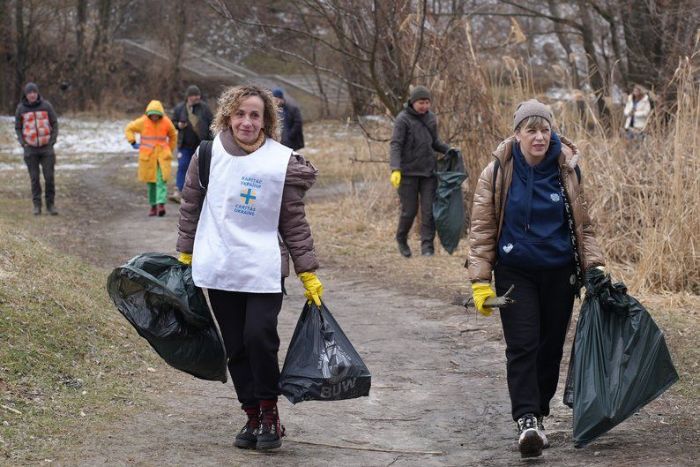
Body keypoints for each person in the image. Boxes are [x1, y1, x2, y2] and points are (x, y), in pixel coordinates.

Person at [175, 84, 323, 451]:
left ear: (266, 120)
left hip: (263, 267)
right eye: (240, 113)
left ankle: (271, 412)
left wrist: (307, 270)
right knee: (236, 346)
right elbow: (190, 206)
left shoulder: (280, 161)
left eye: (255, 115)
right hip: (221, 265)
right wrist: (185, 253)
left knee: (259, 337)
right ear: (227, 116)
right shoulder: (207, 155)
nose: (246, 121)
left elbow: (293, 219)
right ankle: (252, 414)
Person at [467, 99, 605, 459]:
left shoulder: (568, 168)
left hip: (560, 272)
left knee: (550, 347)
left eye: (545, 129)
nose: (540, 136)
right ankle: (526, 418)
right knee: (523, 344)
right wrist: (480, 280)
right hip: (516, 271)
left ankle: (539, 413)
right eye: (531, 130)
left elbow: (584, 226)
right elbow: (481, 230)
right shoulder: (498, 170)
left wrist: (595, 268)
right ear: (517, 134)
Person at [389, 85, 457, 257]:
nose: (424, 106)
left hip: (428, 173)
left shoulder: (431, 118)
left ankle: (427, 247)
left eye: (427, 102)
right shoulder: (402, 119)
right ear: (412, 102)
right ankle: (401, 238)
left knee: (429, 212)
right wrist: (395, 169)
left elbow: (435, 142)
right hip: (407, 174)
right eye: (421, 102)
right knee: (409, 211)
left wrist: (449, 150)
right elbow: (396, 144)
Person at [125, 100, 177, 216]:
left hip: (162, 158)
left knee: (161, 181)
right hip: (148, 159)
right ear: (149, 114)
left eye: (156, 115)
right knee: (151, 183)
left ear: (160, 114)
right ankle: (153, 206)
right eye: (152, 115)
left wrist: (169, 149)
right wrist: (132, 141)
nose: (154, 117)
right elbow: (129, 128)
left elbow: (173, 135)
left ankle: (161, 204)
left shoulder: (166, 122)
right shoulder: (143, 122)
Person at [14, 82, 59, 215]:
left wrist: (52, 141)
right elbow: (17, 127)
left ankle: (50, 205)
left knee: (49, 177)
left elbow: (54, 123)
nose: (32, 95)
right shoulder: (21, 108)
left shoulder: (46, 106)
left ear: (37, 93)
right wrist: (23, 143)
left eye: (34, 92)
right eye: (29, 93)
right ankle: (37, 206)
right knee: (34, 178)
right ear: (26, 95)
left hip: (46, 149)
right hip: (30, 150)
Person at [170, 85, 213, 203]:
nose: (197, 97)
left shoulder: (204, 108)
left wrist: (211, 140)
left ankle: (198, 193)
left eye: (198, 95)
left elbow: (212, 123)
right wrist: (178, 125)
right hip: (184, 145)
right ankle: (179, 191)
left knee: (200, 170)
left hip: (201, 145)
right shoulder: (180, 108)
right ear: (188, 96)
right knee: (183, 167)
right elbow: (172, 122)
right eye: (194, 95)